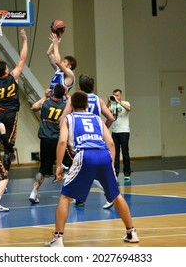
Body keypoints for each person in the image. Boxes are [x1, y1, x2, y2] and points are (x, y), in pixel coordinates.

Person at [44, 91, 139, 247]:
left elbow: (62, 142)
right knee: (116, 195)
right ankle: (131, 232)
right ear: (87, 106)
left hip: (85, 155)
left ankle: (58, 238)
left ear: (72, 106)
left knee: (65, 197)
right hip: (104, 155)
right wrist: (111, 164)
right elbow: (111, 143)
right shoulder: (96, 118)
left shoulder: (68, 118)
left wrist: (59, 165)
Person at [62, 73, 115, 209]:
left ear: (79, 87)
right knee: (94, 170)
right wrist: (102, 131)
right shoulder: (98, 100)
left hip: (81, 140)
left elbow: (63, 118)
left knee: (82, 169)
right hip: (97, 139)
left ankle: (107, 194)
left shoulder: (75, 99)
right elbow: (110, 118)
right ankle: (81, 197)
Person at [0, 28, 28, 172]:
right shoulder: (13, 76)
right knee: (9, 141)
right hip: (11, 113)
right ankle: (6, 168)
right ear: (7, 71)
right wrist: (25, 40)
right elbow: (22, 59)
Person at [28, 84, 69, 204]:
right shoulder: (64, 106)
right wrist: (67, 95)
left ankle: (34, 192)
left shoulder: (45, 103)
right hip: (58, 140)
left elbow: (34, 107)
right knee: (68, 166)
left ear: (53, 93)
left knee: (43, 170)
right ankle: (71, 193)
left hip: (45, 140)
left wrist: (45, 96)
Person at [108, 89, 132, 181]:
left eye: (117, 95)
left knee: (125, 152)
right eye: (114, 95)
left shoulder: (126, 103)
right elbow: (106, 112)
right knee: (115, 153)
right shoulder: (112, 105)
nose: (116, 97)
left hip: (124, 131)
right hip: (115, 131)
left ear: (121, 95)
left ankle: (127, 173)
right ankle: (116, 173)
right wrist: (109, 103)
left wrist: (119, 102)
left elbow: (129, 109)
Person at [47, 32, 77, 99]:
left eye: (64, 62)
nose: (62, 62)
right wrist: (55, 42)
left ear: (69, 66)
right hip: (51, 100)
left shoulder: (70, 74)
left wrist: (56, 45)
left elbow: (57, 61)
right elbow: (49, 53)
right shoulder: (58, 70)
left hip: (60, 103)